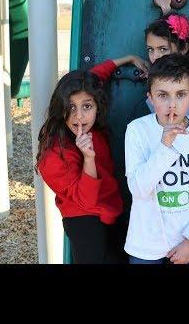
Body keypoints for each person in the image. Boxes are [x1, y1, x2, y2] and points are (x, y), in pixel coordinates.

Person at [36, 55, 148, 263]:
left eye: (87, 107)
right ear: (61, 108)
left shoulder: (89, 117)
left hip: (110, 209)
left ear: (97, 105)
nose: (79, 116)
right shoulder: (53, 155)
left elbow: (94, 78)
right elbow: (85, 201)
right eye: (71, 107)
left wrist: (128, 59)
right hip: (84, 221)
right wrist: (88, 157)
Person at [124, 54, 189, 264]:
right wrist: (164, 146)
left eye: (181, 94)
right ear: (150, 98)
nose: (172, 105)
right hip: (145, 243)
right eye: (163, 95)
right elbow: (139, 188)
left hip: (187, 244)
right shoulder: (137, 131)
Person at [132, 0, 189, 131]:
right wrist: (166, 8)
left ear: (183, 49)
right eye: (150, 49)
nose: (156, 56)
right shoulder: (172, 69)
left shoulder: (188, 78)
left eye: (163, 49)